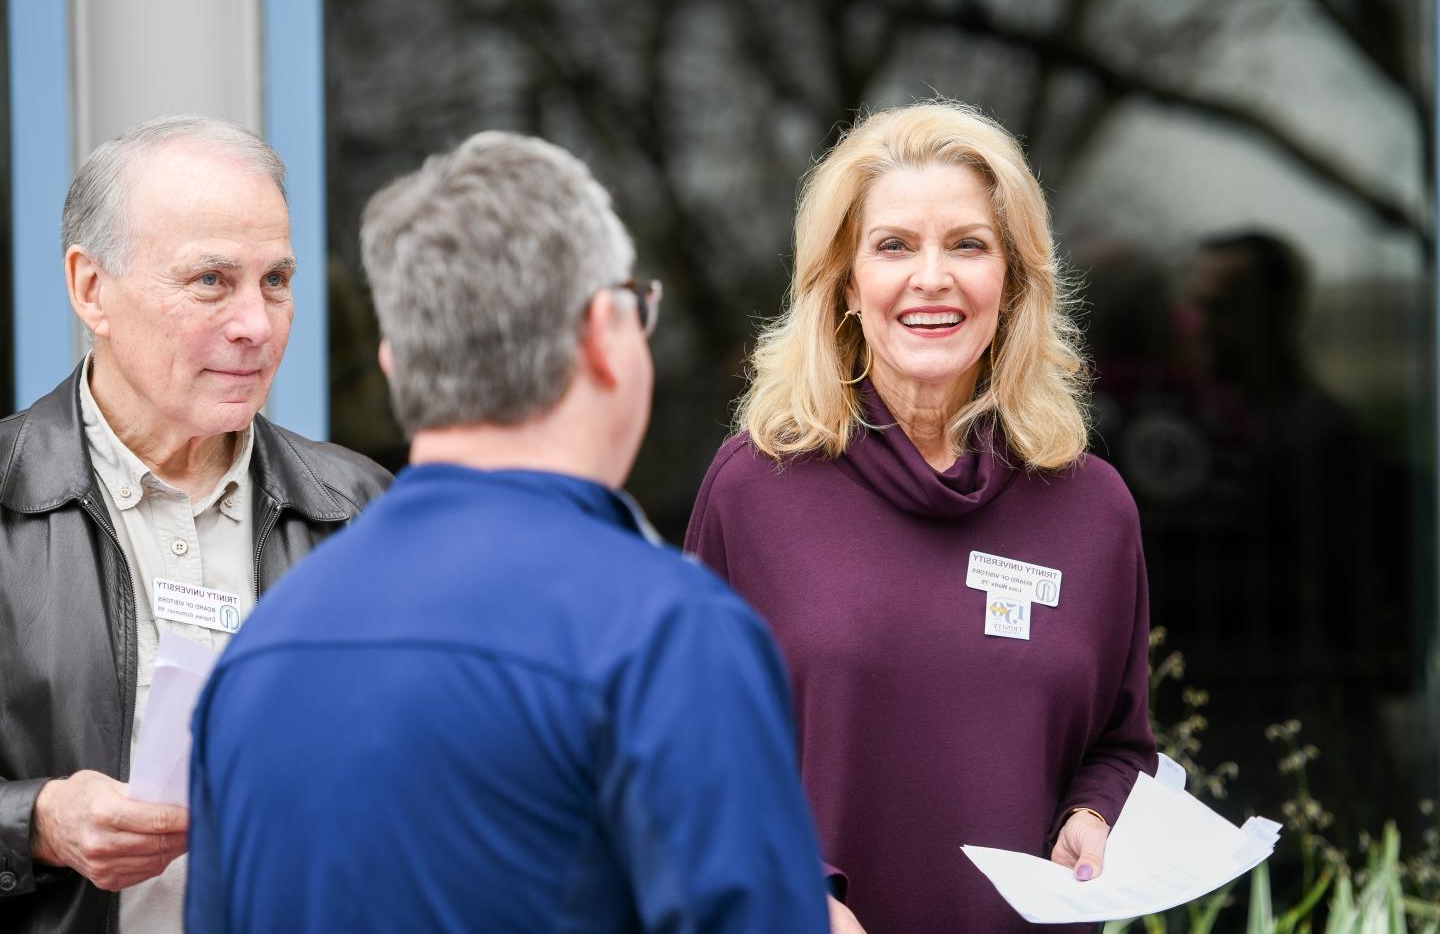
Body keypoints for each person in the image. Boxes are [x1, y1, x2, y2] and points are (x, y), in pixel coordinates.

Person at [185, 131, 831, 933]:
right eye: (639, 306)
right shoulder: (664, 634)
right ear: (605, 332)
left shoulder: (256, 656)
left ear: (395, 363)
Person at [685, 102, 1156, 934]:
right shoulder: (756, 490)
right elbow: (693, 756)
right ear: (842, 281)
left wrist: (1094, 816)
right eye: (894, 245)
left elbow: (1119, 747)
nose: (931, 277)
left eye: (968, 245)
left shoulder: (1092, 508)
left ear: (1012, 280)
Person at [0, 116, 391, 934]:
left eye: (276, 280)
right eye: (211, 280)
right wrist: (35, 823)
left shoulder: (364, 514)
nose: (257, 322)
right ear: (90, 288)